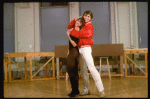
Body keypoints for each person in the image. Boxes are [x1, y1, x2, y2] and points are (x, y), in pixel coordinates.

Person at [68, 11, 105, 97]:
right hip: (80, 49)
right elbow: (69, 26)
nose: (86, 17)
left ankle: (101, 90)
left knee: (92, 69)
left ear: (91, 18)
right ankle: (86, 89)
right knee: (83, 71)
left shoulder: (89, 27)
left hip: (86, 49)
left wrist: (71, 32)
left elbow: (81, 34)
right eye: (85, 15)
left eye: (88, 16)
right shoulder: (84, 25)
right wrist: (76, 19)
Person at [66, 17, 85, 97]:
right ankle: (75, 90)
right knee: (73, 70)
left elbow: (74, 44)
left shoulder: (79, 31)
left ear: (81, 24)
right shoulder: (72, 29)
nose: (77, 22)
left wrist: (68, 36)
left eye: (79, 22)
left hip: (75, 50)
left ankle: (75, 90)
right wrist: (68, 50)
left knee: (70, 68)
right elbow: (70, 44)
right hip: (71, 50)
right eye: (77, 20)